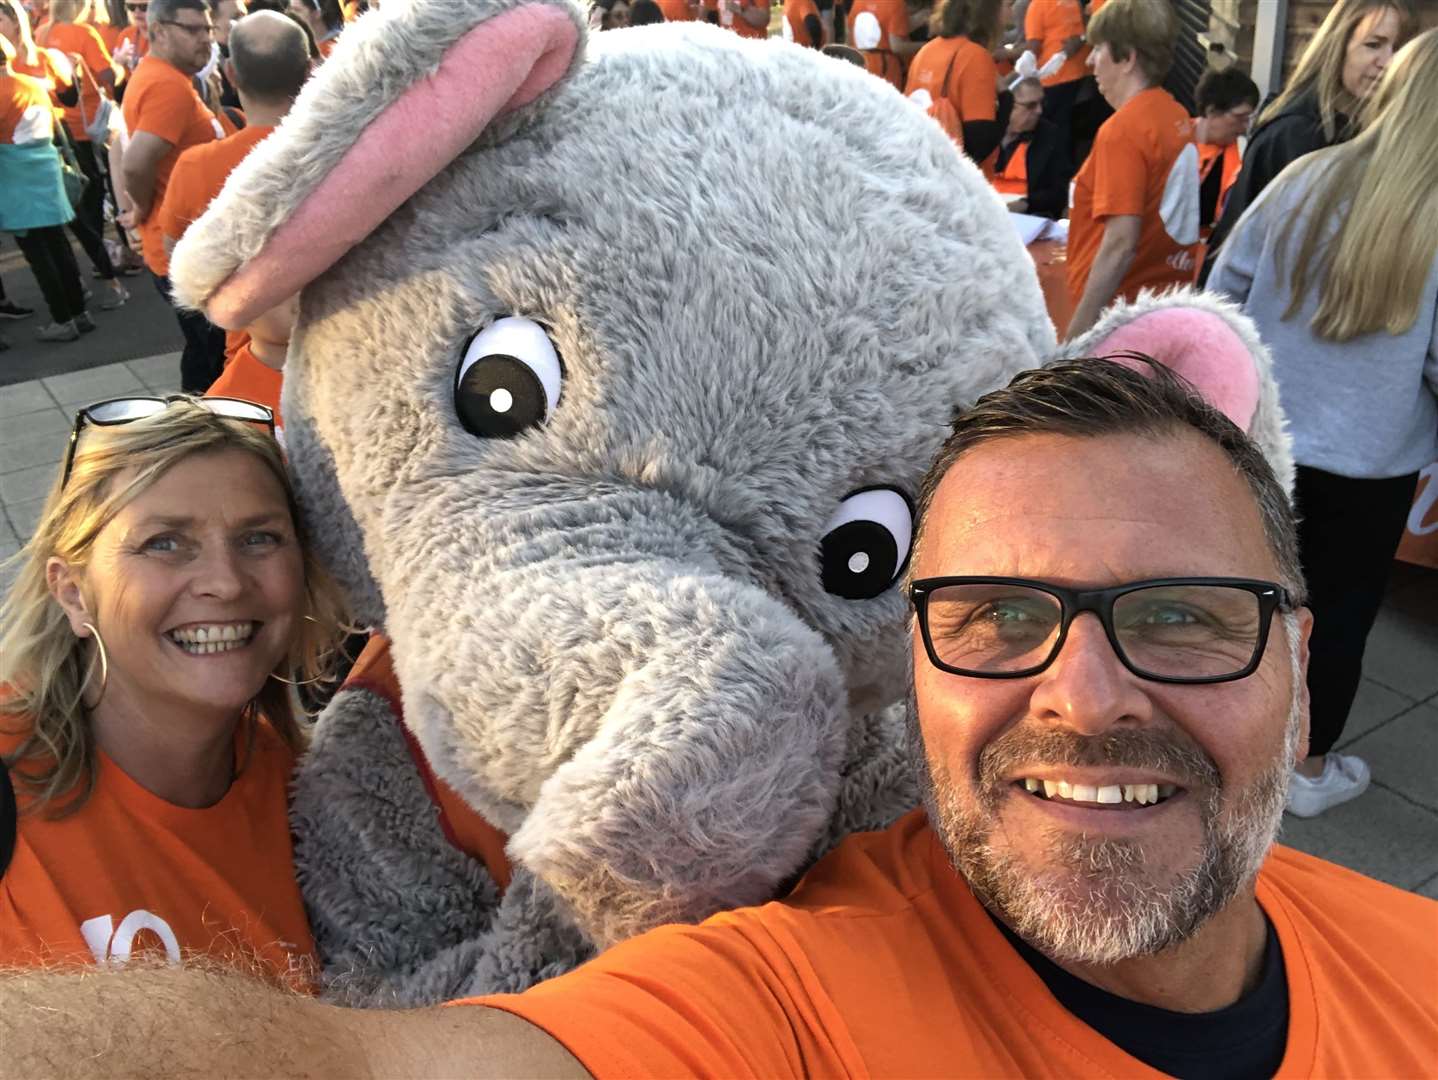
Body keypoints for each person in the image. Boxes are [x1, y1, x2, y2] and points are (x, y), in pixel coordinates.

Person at [5, 358, 1438, 1077]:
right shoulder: (802, 987)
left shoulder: (1412, 967)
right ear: (916, 668)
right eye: (993, 616)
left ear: (1301, 666)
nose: (1080, 694)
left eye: (1182, 616)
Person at [0, 396, 346, 979]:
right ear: (73, 593)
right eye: (164, 542)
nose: (225, 582)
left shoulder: (312, 795)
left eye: (259, 538)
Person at [1208, 30, 1438, 820]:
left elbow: (1223, 293)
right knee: (1335, 615)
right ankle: (1301, 770)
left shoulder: (1303, 176)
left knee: (1247, 596)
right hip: (1370, 464)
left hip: (1267, 440)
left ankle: (1215, 741)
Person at [1197, 0, 1411, 286]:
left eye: (1398, 49)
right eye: (1373, 44)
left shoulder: (1356, 127)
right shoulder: (1298, 135)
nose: (1387, 62)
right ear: (1337, 47)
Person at [156, 9, 306, 412]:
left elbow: (179, 260)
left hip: (249, 365)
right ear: (311, 71)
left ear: (231, 75)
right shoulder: (354, 157)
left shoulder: (196, 167)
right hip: (346, 348)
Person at [1063, 0, 1197, 339]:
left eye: (1098, 50)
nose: (1090, 60)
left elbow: (1120, 243)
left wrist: (1076, 338)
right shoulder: (1175, 114)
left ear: (1127, 58)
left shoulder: (1123, 130)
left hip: (1119, 319)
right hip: (1161, 305)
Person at [120, 0, 226, 392]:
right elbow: (135, 160)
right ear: (159, 30)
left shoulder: (164, 77)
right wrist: (142, 206)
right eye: (193, 30)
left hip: (179, 248)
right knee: (211, 357)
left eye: (208, 30)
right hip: (182, 251)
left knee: (203, 351)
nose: (205, 40)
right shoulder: (168, 86)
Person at [31, 0, 129, 306]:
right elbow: (106, 75)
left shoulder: (41, 33)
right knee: (95, 191)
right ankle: (107, 261)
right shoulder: (85, 32)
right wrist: (122, 65)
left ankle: (98, 262)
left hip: (58, 125)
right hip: (87, 123)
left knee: (81, 197)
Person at [0, 37, 93, 342]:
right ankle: (79, 312)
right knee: (60, 247)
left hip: (17, 184)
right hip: (46, 175)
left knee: (40, 257)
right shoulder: (31, 84)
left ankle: (62, 319)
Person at [904, 0, 1005, 164]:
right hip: (960, 178)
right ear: (989, 14)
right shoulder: (975, 56)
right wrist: (1007, 98)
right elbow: (980, 142)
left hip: (924, 165)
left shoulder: (925, 51)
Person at [989, 73, 1070, 217]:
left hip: (1030, 217)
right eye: (1031, 105)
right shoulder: (984, 133)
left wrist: (1026, 204)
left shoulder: (1050, 136)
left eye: (1041, 103)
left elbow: (1060, 192)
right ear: (1007, 105)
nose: (1039, 111)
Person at [1191, 66, 1257, 238]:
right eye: (1240, 118)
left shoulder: (1243, 155)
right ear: (1211, 111)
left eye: (1248, 120)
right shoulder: (1170, 142)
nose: (1244, 128)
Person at [1021, 0, 1087, 156]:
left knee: (1049, 134)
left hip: (1050, 78)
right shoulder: (1073, 2)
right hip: (1077, 74)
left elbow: (1034, 47)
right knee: (1069, 130)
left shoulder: (1038, 5)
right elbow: (1081, 33)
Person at [846, 0, 915, 88]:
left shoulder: (858, 2)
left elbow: (850, 34)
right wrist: (926, 46)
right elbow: (897, 46)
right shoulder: (896, 3)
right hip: (886, 69)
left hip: (859, 63)